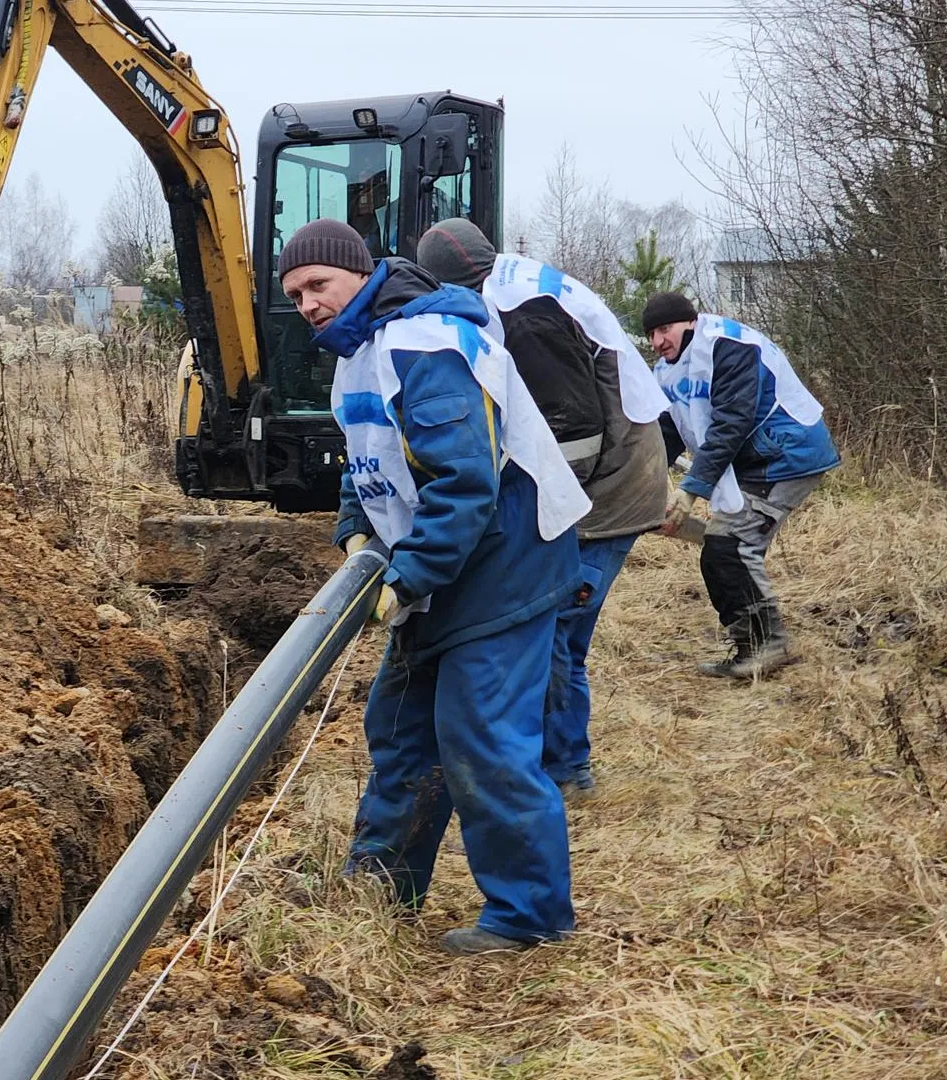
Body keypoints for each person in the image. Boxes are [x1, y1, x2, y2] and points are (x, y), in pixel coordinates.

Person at [278, 218, 590, 955]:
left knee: (480, 737)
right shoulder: (359, 353)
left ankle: (529, 918)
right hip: (451, 561)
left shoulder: (427, 343)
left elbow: (466, 483)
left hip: (507, 556)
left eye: (318, 285)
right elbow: (370, 461)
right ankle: (383, 889)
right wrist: (356, 531)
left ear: (359, 274)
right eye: (295, 294)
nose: (309, 304)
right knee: (400, 727)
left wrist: (407, 575)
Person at [416, 219, 668, 801]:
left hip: (606, 489)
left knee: (554, 627)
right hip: (601, 475)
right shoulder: (511, 285)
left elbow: (573, 431)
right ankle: (552, 768)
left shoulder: (524, 312)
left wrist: (538, 511)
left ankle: (563, 773)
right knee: (550, 626)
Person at [639, 291, 840, 678]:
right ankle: (752, 647)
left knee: (730, 547)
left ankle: (770, 646)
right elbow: (667, 431)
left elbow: (732, 423)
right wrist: (645, 486)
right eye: (651, 334)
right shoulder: (667, 370)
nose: (657, 341)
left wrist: (691, 489)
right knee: (721, 548)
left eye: (665, 329)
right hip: (753, 460)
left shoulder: (728, 347)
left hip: (786, 454)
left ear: (690, 323)